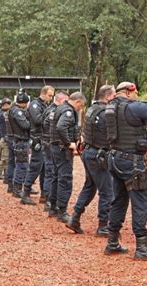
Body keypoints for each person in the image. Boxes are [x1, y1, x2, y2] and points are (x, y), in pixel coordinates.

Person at [104, 81, 147, 261]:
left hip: (114, 158)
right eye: (135, 94)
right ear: (128, 92)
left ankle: (112, 242)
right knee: (140, 203)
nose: (136, 97)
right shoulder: (134, 107)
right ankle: (142, 247)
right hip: (132, 161)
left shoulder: (110, 107)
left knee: (118, 201)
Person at [66, 85, 115, 236]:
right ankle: (102, 226)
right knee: (107, 191)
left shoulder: (92, 109)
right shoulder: (106, 112)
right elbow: (110, 135)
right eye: (113, 95)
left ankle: (75, 218)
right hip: (98, 155)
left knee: (89, 187)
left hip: (89, 152)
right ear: (107, 96)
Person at [49, 92, 86, 223]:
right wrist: (68, 143)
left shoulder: (60, 107)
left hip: (55, 147)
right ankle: (62, 211)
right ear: (78, 102)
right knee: (65, 179)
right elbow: (61, 127)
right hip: (62, 149)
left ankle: (53, 207)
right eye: (81, 106)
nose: (80, 108)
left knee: (56, 177)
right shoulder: (68, 112)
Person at [21, 86, 55, 205]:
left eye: (52, 96)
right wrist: (51, 115)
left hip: (45, 139)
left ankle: (44, 195)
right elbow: (37, 120)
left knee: (45, 168)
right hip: (37, 139)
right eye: (50, 95)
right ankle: (25, 193)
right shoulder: (35, 104)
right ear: (43, 93)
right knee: (35, 167)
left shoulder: (46, 105)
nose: (51, 98)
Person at [42, 91, 69, 213]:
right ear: (61, 99)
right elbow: (47, 124)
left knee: (51, 171)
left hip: (49, 142)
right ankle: (48, 199)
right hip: (51, 143)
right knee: (51, 172)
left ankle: (49, 199)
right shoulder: (55, 110)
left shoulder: (51, 109)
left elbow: (45, 123)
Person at [8, 93, 31, 198]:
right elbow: (25, 125)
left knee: (20, 164)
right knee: (22, 165)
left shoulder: (13, 109)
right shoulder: (17, 111)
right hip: (21, 140)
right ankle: (17, 189)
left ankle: (16, 187)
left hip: (18, 140)